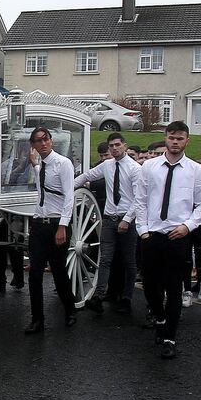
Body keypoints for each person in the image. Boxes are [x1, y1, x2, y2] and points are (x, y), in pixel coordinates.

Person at [132, 120, 201, 359]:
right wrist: (143, 229)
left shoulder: (195, 170)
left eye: (180, 138)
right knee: (150, 286)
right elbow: (141, 199)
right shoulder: (150, 167)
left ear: (187, 141)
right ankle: (160, 317)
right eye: (171, 137)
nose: (175, 142)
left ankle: (169, 337)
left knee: (174, 288)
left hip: (178, 235)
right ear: (166, 138)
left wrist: (188, 226)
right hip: (152, 234)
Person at [77, 132, 140, 315]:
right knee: (105, 259)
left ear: (125, 146)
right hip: (109, 218)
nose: (114, 148)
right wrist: (69, 189)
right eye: (111, 145)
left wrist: (127, 220)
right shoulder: (107, 165)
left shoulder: (135, 168)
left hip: (126, 218)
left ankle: (127, 298)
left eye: (117, 145)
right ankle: (99, 296)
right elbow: (87, 176)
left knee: (129, 261)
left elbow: (138, 198)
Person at [24, 127, 77, 334]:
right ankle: (37, 319)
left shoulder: (63, 164)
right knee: (35, 273)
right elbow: (40, 178)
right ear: (34, 146)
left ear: (51, 141)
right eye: (38, 141)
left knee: (59, 271)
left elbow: (69, 197)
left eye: (45, 139)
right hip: (39, 224)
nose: (43, 143)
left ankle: (70, 310)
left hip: (57, 224)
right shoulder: (40, 167)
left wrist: (63, 225)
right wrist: (34, 163)